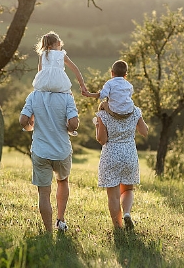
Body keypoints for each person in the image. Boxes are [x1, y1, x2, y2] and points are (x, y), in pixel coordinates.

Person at [19, 90, 79, 232]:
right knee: (63, 181)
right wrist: (68, 128)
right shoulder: (67, 96)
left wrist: (30, 127)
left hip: (41, 151)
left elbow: (23, 121)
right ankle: (60, 219)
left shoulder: (34, 95)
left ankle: (48, 231)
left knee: (44, 192)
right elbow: (74, 124)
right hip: (61, 151)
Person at [92, 101, 149, 230]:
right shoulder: (134, 111)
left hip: (111, 155)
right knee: (128, 190)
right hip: (129, 154)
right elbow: (144, 132)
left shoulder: (103, 114)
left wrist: (97, 125)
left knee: (113, 195)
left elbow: (102, 139)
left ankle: (118, 228)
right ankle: (127, 213)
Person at [31, 31, 87, 136]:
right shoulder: (62, 55)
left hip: (44, 85)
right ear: (58, 44)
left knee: (36, 97)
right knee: (69, 96)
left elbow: (40, 72)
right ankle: (69, 125)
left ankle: (33, 118)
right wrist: (82, 85)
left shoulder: (42, 55)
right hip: (58, 85)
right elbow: (75, 69)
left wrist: (41, 86)